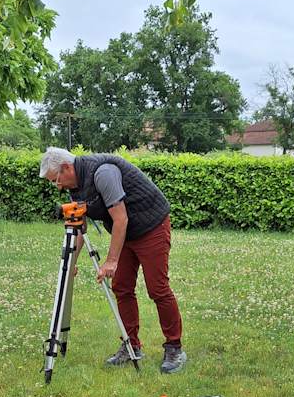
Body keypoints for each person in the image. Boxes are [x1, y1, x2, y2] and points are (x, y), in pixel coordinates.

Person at [40, 147, 186, 374]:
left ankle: (174, 348)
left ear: (67, 168)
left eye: (56, 180)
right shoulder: (74, 187)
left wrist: (111, 261)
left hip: (151, 226)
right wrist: (71, 262)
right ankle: (131, 346)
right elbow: (79, 228)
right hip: (125, 231)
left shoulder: (103, 172)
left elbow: (121, 218)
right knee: (122, 287)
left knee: (157, 288)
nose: (57, 186)